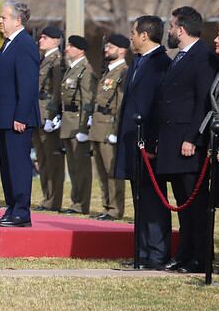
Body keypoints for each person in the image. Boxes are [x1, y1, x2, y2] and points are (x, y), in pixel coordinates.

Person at [156, 6, 217, 273]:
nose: (169, 31)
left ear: (181, 29)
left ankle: (199, 257)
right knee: (182, 203)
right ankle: (184, 253)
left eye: (171, 26)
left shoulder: (203, 56)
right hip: (172, 138)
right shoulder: (181, 56)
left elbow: (203, 101)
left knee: (196, 203)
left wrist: (192, 137)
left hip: (188, 142)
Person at [114, 16, 170, 269]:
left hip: (148, 143)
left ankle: (156, 252)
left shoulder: (161, 64)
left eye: (133, 32)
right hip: (132, 140)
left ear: (144, 36)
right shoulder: (138, 61)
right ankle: (142, 252)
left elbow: (159, 107)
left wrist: (153, 143)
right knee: (140, 199)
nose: (131, 36)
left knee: (153, 200)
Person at [0, 0, 40, 227]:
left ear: (18, 20)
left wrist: (21, 115)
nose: (0, 20)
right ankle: (11, 208)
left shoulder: (24, 44)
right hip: (4, 116)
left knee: (18, 165)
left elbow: (28, 84)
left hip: (18, 118)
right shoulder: (8, 43)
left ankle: (21, 211)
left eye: (4, 17)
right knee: (8, 165)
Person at [89, 33, 129, 220]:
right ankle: (107, 206)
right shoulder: (108, 71)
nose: (106, 49)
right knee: (101, 170)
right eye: (106, 46)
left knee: (112, 171)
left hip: (109, 126)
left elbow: (121, 105)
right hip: (98, 125)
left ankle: (115, 208)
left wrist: (115, 131)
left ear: (122, 50)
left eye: (111, 46)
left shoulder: (123, 72)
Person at [59, 35, 97, 215]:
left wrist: (84, 128)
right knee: (73, 167)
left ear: (80, 50)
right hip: (68, 123)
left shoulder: (85, 70)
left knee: (81, 167)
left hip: (77, 124)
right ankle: (75, 201)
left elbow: (88, 101)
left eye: (71, 46)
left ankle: (81, 204)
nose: (67, 49)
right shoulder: (72, 69)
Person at [32, 26, 65, 212]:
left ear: (56, 40)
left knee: (53, 161)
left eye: (45, 37)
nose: (40, 40)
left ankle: (54, 200)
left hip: (48, 114)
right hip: (38, 112)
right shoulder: (43, 59)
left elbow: (56, 92)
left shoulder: (56, 61)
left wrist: (53, 115)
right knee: (42, 158)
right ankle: (46, 198)